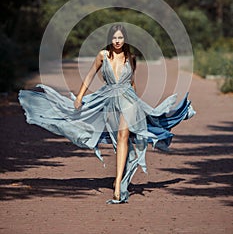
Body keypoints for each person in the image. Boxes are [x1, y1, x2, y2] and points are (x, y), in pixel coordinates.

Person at [19, 24, 195, 204]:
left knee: (123, 135)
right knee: (115, 139)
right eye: (114, 38)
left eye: (120, 38)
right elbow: (89, 76)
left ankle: (118, 183)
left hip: (129, 100)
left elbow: (132, 82)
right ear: (110, 39)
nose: (117, 41)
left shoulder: (131, 57)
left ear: (125, 39)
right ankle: (120, 176)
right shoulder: (102, 56)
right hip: (109, 100)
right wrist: (79, 96)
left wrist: (137, 104)